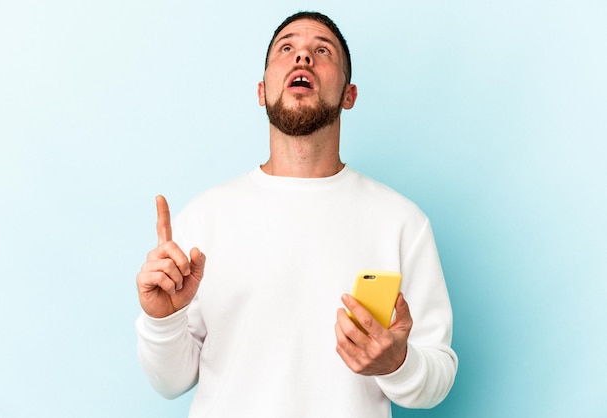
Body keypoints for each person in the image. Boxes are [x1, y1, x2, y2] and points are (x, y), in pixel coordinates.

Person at [136, 11, 458, 417]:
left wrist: (399, 364)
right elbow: (171, 383)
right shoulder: (205, 218)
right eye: (286, 48)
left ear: (349, 94)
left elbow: (438, 374)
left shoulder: (401, 221)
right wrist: (162, 322)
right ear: (261, 89)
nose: (302, 57)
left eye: (321, 50)